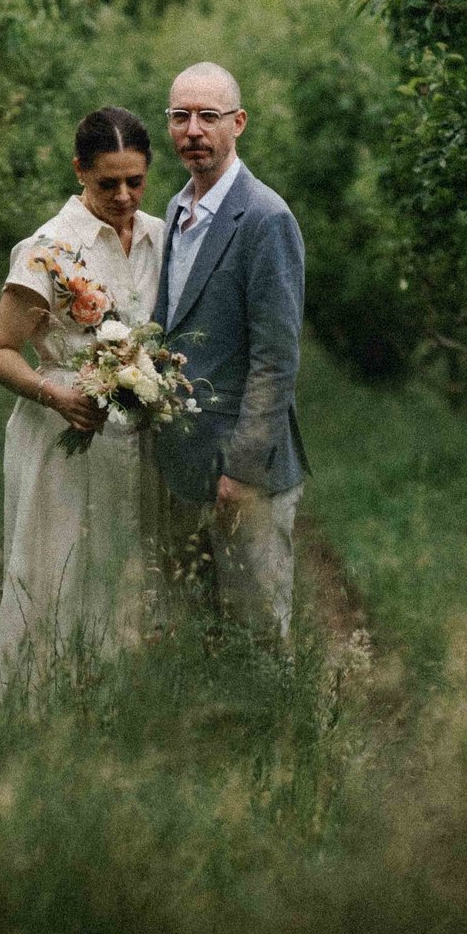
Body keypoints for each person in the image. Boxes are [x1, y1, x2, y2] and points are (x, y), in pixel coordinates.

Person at [0, 106, 166, 705]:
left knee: (131, 564)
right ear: (79, 171)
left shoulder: (164, 236)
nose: (123, 196)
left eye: (134, 181)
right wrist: (54, 394)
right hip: (61, 428)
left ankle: (121, 710)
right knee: (58, 567)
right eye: (107, 182)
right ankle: (36, 714)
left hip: (139, 429)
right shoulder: (49, 249)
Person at [149, 61, 308, 642]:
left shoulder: (266, 219)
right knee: (194, 633)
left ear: (237, 123)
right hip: (184, 466)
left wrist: (240, 472)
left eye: (208, 116)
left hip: (247, 471)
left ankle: (281, 736)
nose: (193, 129)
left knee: (257, 633)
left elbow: (276, 359)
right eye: (180, 116)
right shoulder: (174, 212)